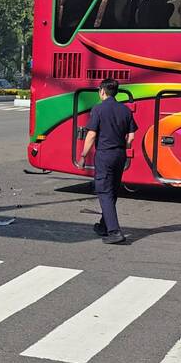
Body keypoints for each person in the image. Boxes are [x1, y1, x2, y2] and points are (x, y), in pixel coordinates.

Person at [80, 79, 137, 244]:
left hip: (105, 155)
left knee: (104, 191)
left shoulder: (98, 109)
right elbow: (131, 136)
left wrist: (83, 155)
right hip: (120, 154)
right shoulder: (125, 110)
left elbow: (91, 135)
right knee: (111, 190)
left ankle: (114, 231)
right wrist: (122, 146)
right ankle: (104, 225)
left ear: (102, 91)